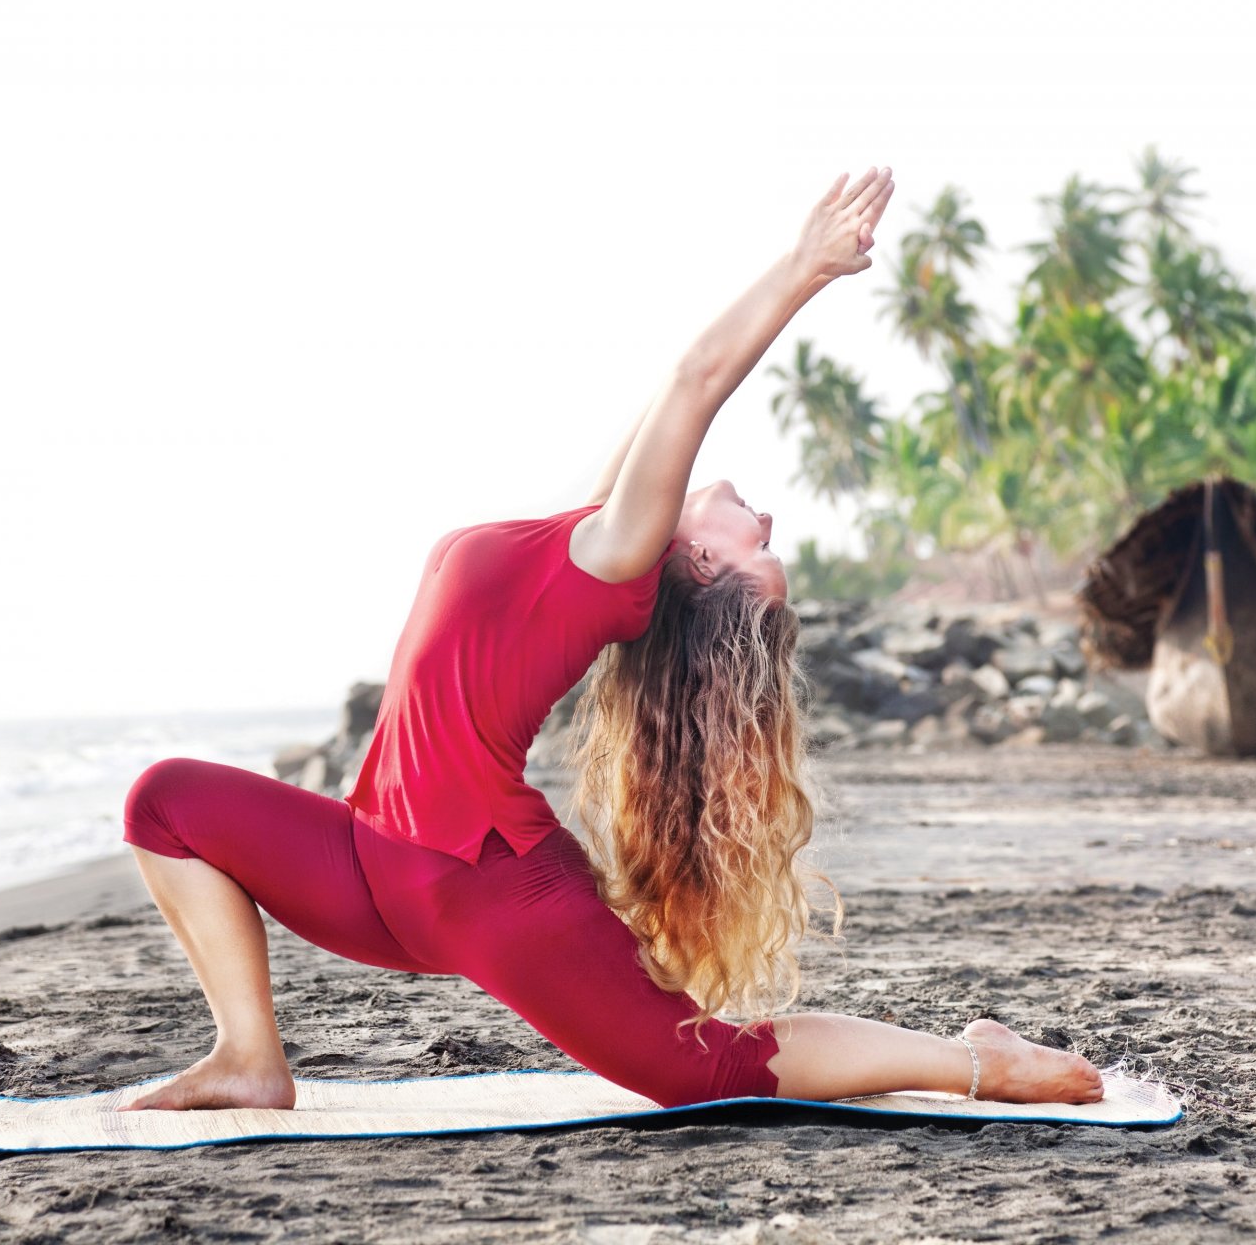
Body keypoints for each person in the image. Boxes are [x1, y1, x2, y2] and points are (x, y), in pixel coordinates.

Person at [117, 166, 1105, 1113]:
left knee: (705, 1066)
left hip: (482, 884)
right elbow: (659, 416)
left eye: (761, 545)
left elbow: (696, 380)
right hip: (370, 859)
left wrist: (807, 266)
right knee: (165, 801)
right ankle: (249, 1056)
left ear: (702, 566)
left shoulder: (619, 560)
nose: (764, 522)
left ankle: (978, 1060)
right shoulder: (598, 531)